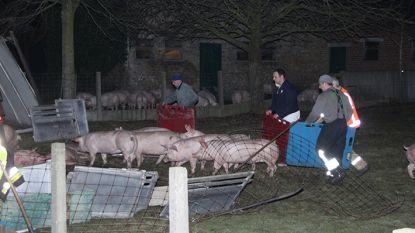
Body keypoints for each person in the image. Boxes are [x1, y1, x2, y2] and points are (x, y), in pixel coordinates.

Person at [305, 74, 352, 184]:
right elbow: (349, 111)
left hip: (331, 126)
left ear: (325, 83)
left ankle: (337, 171)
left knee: (321, 150)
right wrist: (343, 121)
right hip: (343, 125)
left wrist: (307, 122)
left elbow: (315, 113)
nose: (319, 87)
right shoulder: (342, 94)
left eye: (320, 84)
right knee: (336, 151)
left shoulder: (324, 96)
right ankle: (336, 178)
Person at [332, 77, 369, 176]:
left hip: (349, 124)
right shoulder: (341, 92)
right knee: (343, 146)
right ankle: (361, 166)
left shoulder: (342, 94)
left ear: (334, 85)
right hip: (348, 123)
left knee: (343, 146)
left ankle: (359, 166)